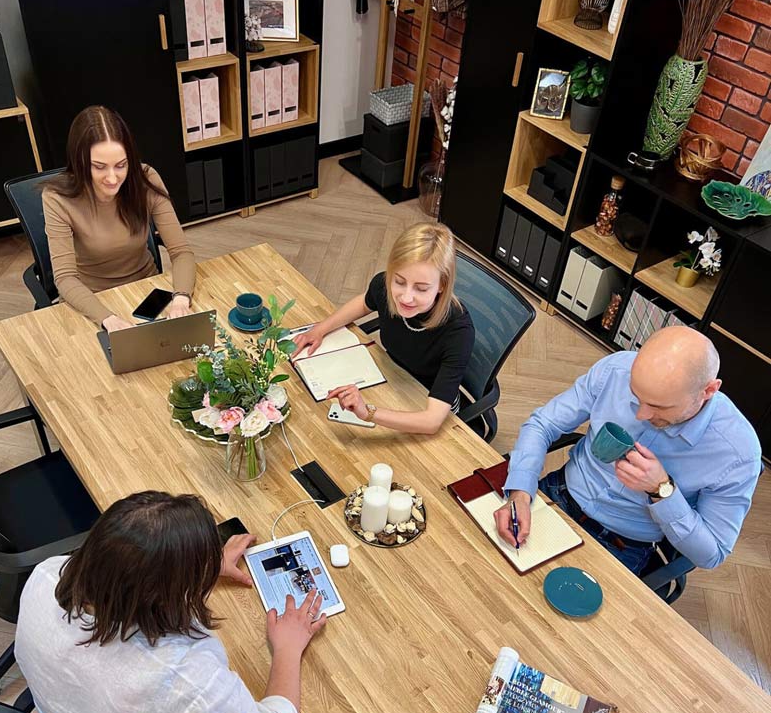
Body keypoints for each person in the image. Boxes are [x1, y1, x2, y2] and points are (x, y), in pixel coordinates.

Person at [14, 492, 327, 713]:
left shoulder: (44, 577)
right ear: (167, 595)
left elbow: (127, 601)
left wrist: (191, 568)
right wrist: (286, 649)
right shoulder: (178, 680)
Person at [494, 326, 762, 574]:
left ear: (708, 391)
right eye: (636, 395)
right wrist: (520, 491)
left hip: (622, 545)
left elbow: (711, 554)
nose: (642, 414)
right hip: (557, 494)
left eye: (659, 407)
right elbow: (543, 424)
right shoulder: (617, 370)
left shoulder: (738, 452)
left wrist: (662, 491)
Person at [292, 222, 475, 435]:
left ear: (442, 285)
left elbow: (431, 421)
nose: (406, 297)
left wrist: (367, 412)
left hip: (428, 402)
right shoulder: (384, 286)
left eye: (421, 288)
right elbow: (364, 302)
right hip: (393, 377)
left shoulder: (459, 332)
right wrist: (321, 329)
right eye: (399, 281)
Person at [42, 106, 196, 333]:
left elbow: (181, 251)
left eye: (121, 165)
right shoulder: (56, 198)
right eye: (99, 167)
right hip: (91, 299)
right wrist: (107, 319)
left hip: (145, 290)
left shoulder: (146, 180)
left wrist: (182, 298)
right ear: (79, 161)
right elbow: (65, 278)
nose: (113, 178)